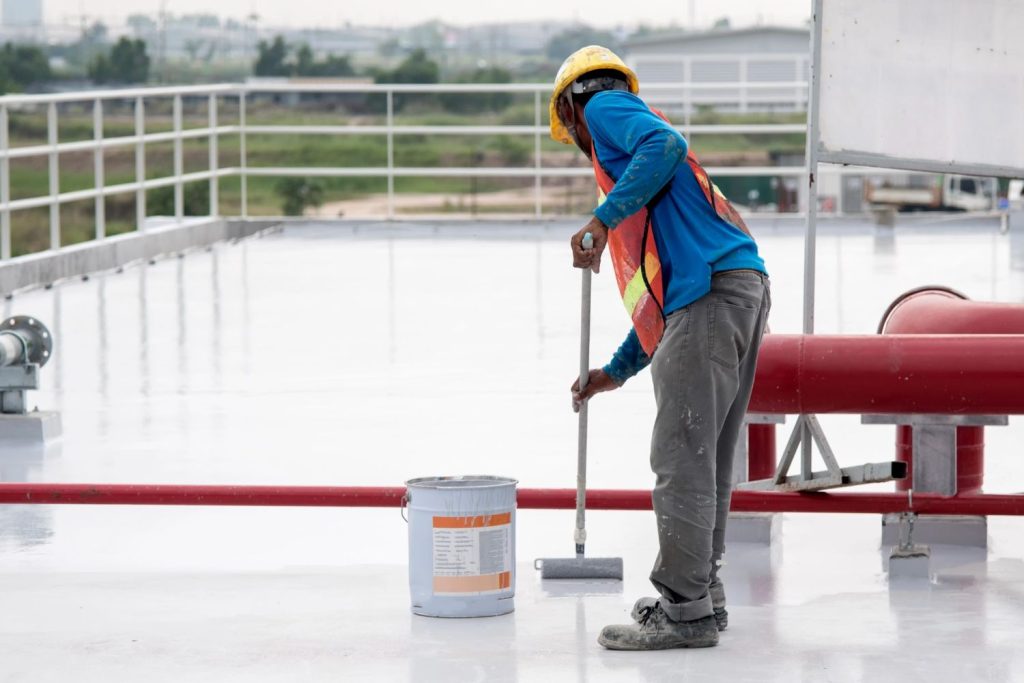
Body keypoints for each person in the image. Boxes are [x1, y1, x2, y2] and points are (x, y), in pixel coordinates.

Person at [550, 45, 771, 651]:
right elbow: (664, 305)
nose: (579, 140)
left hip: (712, 299)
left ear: (570, 107)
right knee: (707, 458)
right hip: (735, 292)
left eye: (569, 128)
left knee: (681, 458)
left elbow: (664, 143)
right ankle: (702, 595)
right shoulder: (653, 194)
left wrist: (601, 219)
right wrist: (615, 371)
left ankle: (683, 611)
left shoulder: (603, 107)